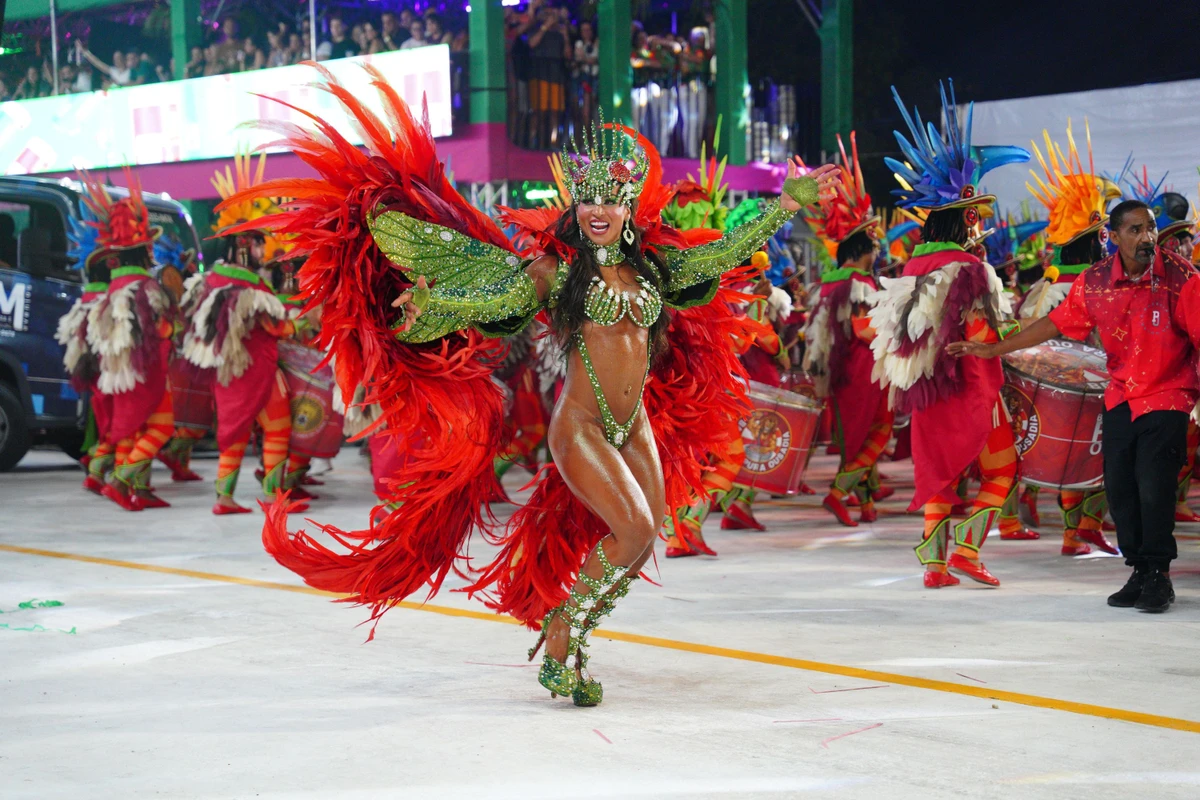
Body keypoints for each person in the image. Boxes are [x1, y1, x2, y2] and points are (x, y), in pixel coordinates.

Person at [227, 67, 838, 705]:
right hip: (582, 427)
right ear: (576, 202)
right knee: (630, 533)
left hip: (637, 429)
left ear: (628, 205)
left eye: (611, 200)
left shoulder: (653, 267)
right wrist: (432, 306)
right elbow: (495, 295)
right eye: (588, 199)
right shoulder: (556, 268)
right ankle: (560, 632)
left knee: (644, 537)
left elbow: (722, 253)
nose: (597, 211)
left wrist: (785, 204)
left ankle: (572, 628)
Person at [950, 198, 1200, 613]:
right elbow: (1054, 324)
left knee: (1154, 484)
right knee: (1120, 488)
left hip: (1168, 395)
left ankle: (1159, 575)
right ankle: (1138, 568)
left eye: (1150, 229)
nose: (1147, 238)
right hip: (1120, 394)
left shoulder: (1181, 277)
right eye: (1135, 230)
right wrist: (993, 348)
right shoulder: (1096, 281)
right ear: (1114, 236)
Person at [872, 81, 1031, 589]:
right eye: (977, 215)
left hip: (925, 390)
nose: (980, 225)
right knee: (1002, 471)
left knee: (940, 471)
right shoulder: (969, 266)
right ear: (965, 216)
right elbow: (983, 332)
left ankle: (935, 568)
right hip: (970, 386)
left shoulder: (912, 265)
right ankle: (966, 548)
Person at [1013, 123, 1121, 556]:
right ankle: (1078, 529)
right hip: (1090, 386)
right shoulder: (1091, 285)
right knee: (1095, 458)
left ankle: (1072, 528)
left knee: (1071, 455)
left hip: (1052, 390)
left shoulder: (1047, 285)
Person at [180, 154, 304, 515]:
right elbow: (275, 327)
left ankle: (224, 498)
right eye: (259, 242)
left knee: (233, 433)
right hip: (258, 371)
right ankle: (272, 497)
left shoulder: (213, 281)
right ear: (244, 245)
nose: (263, 249)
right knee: (278, 427)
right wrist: (301, 324)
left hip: (228, 375)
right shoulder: (250, 290)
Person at [802, 134, 893, 527]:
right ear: (859, 250)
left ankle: (866, 502)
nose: (877, 253)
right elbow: (861, 328)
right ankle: (839, 493)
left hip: (842, 372)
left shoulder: (829, 283)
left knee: (853, 435)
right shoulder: (860, 283)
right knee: (876, 433)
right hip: (863, 370)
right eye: (872, 246)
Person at [81, 171, 176, 511]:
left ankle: (137, 488)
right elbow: (161, 331)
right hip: (144, 371)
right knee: (161, 427)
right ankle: (120, 481)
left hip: (117, 373)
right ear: (143, 250)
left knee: (132, 428)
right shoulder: (145, 287)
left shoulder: (113, 289)